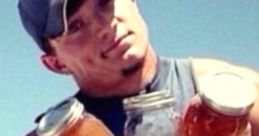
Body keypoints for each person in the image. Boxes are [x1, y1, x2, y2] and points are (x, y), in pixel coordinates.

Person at [18, 0, 259, 135]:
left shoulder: (234, 97)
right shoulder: (60, 133)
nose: (104, 26)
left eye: (104, 1)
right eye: (76, 25)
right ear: (56, 63)